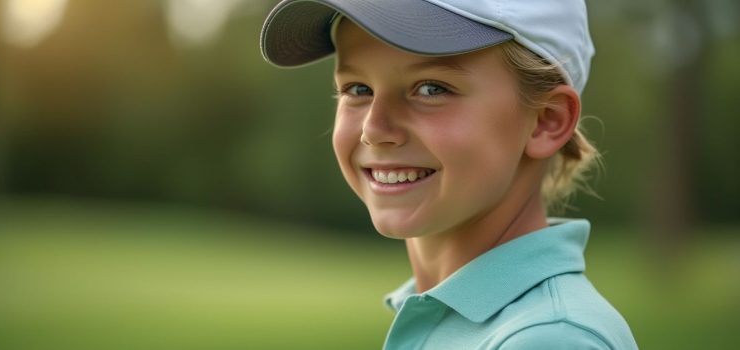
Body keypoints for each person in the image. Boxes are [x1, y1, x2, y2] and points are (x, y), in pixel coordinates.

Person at [260, 0, 638, 349]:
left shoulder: (550, 339)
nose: (373, 129)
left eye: (430, 88)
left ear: (546, 121)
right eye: (358, 89)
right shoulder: (455, 319)